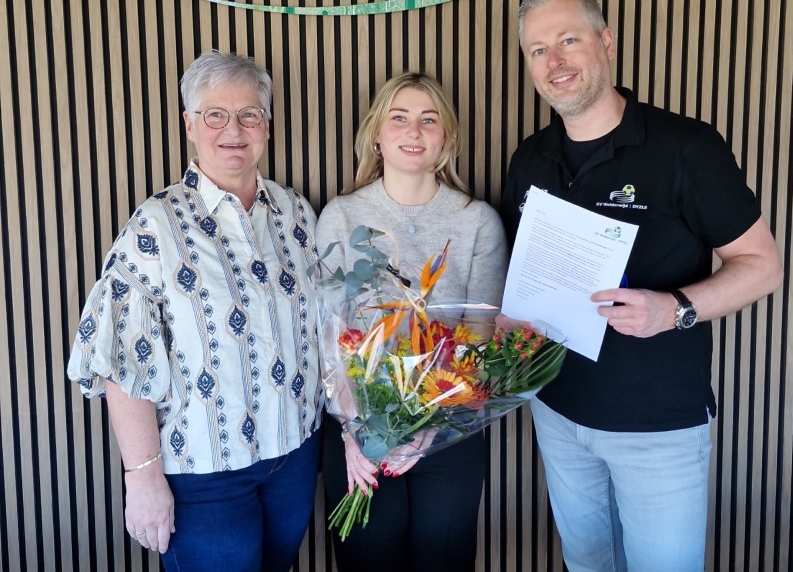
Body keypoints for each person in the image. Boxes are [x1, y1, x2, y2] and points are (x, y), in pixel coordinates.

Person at [501, 0, 783, 572]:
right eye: (536, 50)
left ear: (606, 43)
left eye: (568, 40)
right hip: (557, 412)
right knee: (588, 565)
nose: (554, 62)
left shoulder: (686, 147)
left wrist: (671, 308)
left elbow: (763, 267)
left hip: (657, 427)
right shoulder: (529, 159)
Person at [67, 51, 323, 572]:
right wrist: (141, 476)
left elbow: (328, 326)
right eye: (215, 114)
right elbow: (119, 359)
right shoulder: (154, 226)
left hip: (295, 456)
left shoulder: (296, 213)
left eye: (249, 114)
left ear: (267, 127)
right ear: (189, 124)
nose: (233, 129)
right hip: (202, 474)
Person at [316, 71, 508, 572]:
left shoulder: (477, 222)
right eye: (398, 118)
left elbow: (478, 339)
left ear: (446, 136)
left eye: (429, 120)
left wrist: (432, 430)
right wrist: (356, 430)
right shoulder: (340, 216)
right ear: (376, 135)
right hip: (358, 431)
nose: (414, 132)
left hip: (450, 433)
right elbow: (328, 335)